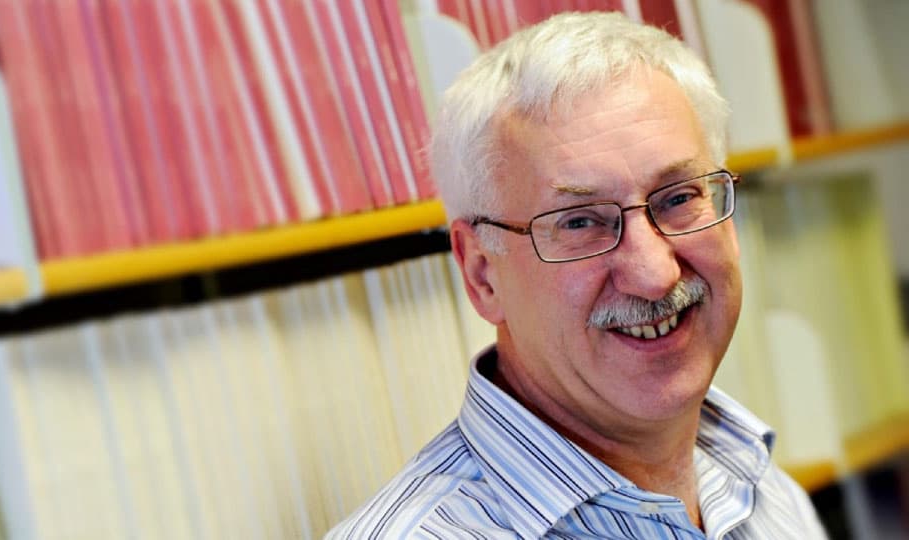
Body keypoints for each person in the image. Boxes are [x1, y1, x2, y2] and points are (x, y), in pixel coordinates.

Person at [327, 11, 827, 539]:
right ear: (482, 275)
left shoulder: (762, 487)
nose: (654, 273)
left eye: (679, 197)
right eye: (581, 222)